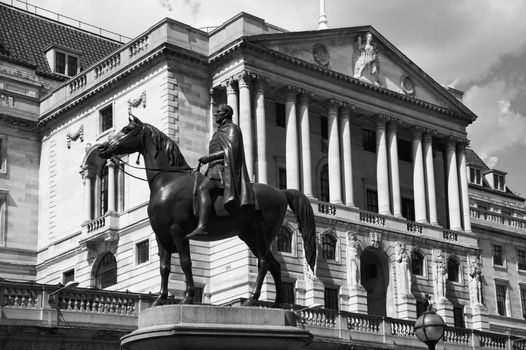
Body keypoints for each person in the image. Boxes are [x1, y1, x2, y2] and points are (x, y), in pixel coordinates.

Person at [186, 104, 255, 239]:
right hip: (212, 169)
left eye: (218, 112)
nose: (216, 114)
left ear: (226, 114)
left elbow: (230, 151)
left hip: (223, 170)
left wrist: (208, 157)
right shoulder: (218, 132)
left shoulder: (233, 129)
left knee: (203, 188)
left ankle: (202, 227)